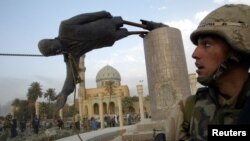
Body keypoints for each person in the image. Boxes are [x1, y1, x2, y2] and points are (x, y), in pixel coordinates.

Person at [38, 11, 166, 112]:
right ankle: (145, 31)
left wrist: (102, 13)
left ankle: (151, 25)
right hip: (106, 39)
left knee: (123, 22)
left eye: (53, 49)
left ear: (51, 41)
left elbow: (85, 17)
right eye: (53, 53)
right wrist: (64, 93)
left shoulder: (65, 27)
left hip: (103, 24)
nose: (56, 51)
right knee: (126, 33)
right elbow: (70, 77)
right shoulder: (71, 55)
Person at [164, 4, 250, 141]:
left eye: (207, 45)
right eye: (198, 45)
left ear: (237, 51)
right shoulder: (187, 110)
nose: (195, 54)